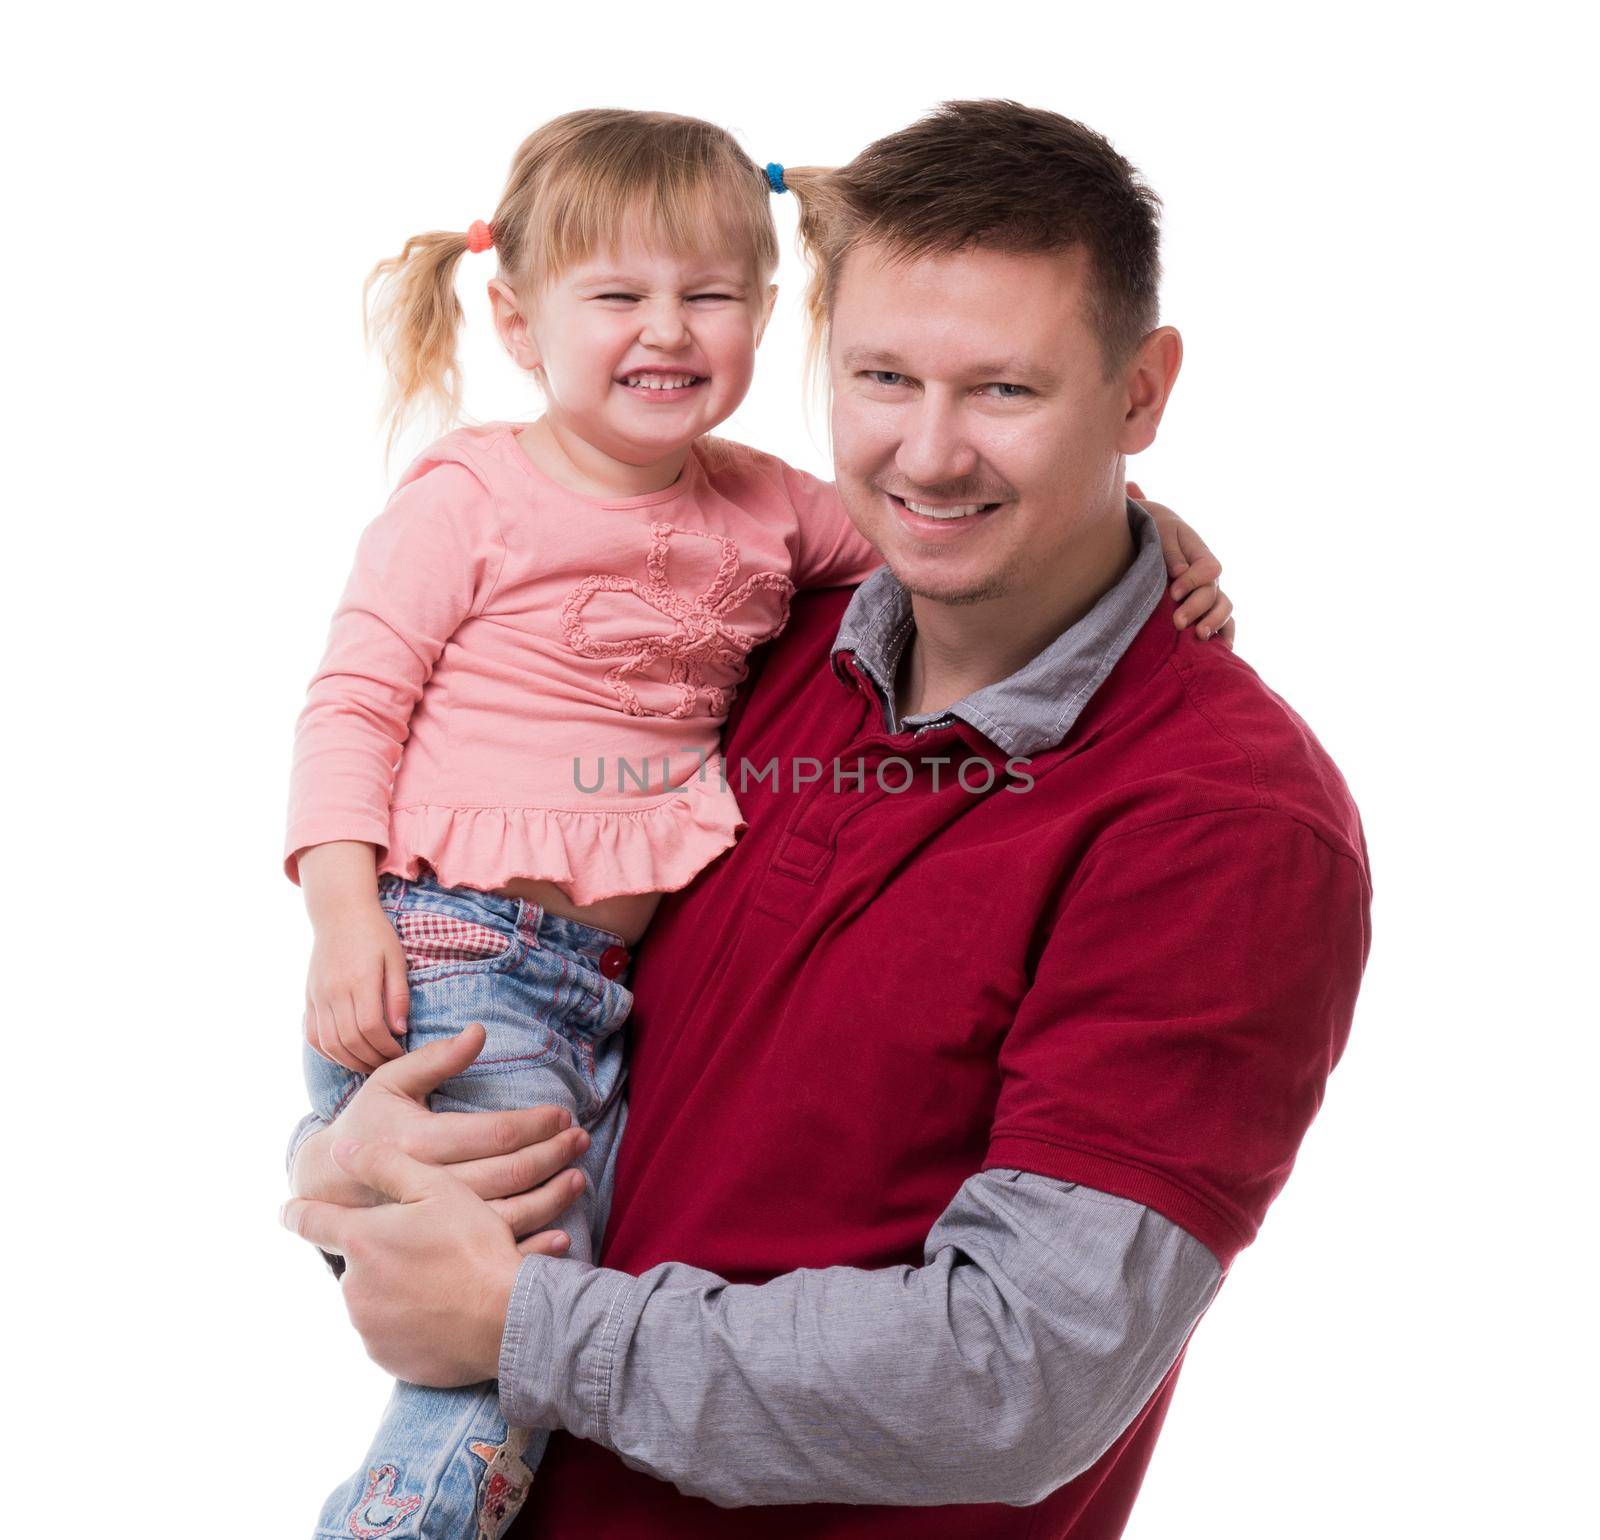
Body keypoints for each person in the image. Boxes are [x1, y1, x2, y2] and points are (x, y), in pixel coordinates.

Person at [283, 106, 1233, 1539]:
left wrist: (1157, 533)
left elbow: (1018, 1378)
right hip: (471, 957)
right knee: (496, 1288)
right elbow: (354, 705)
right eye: (885, 379)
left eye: (1008, 392)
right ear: (518, 321)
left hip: (562, 1000)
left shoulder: (1208, 818)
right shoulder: (626, 570)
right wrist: (330, 1150)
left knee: (512, 1290)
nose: (929, 453)